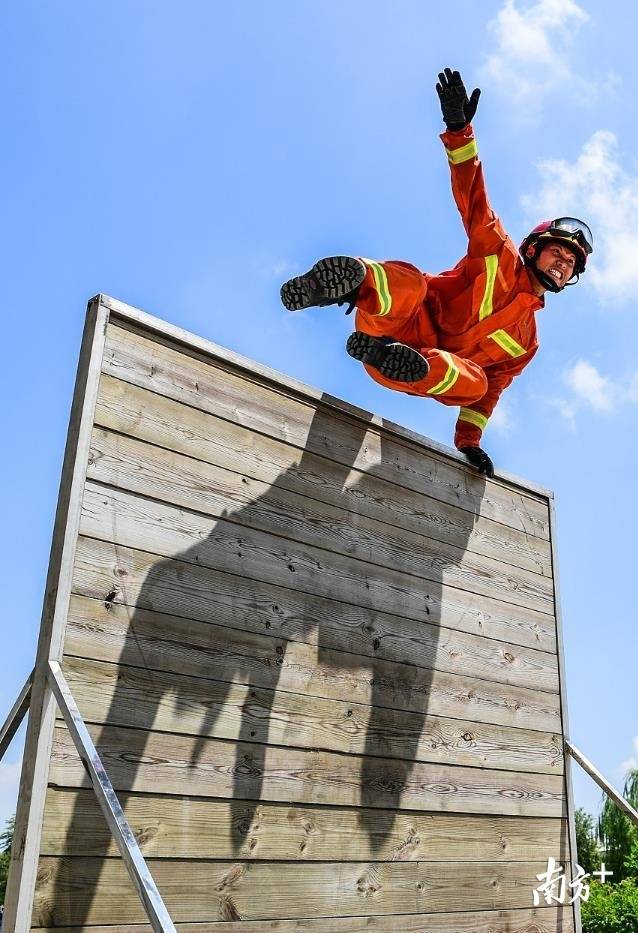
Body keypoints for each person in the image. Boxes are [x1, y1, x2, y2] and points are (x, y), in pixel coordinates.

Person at [280, 68, 593, 478]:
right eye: (559, 253)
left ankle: (396, 359)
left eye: (570, 265)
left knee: (478, 383)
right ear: (533, 249)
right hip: (392, 318)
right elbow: (472, 197)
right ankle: (347, 282)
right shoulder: (496, 253)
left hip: (407, 364)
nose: (563, 264)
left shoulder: (525, 343)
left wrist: (470, 444)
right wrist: (459, 129)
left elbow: (487, 398)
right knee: (410, 282)